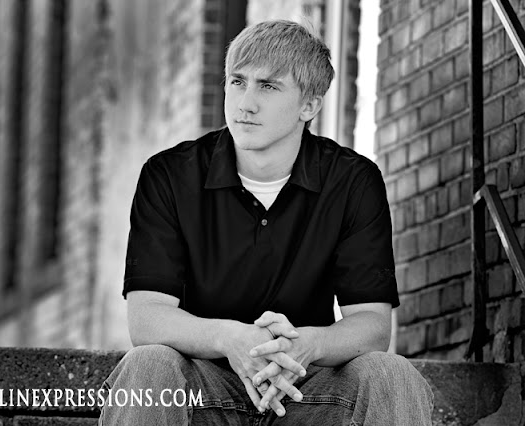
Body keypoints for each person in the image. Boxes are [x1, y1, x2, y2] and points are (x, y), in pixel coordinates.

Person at [99, 19, 433, 425]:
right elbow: (146, 318)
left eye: (268, 87)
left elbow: (373, 326)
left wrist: (308, 345)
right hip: (201, 386)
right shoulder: (169, 175)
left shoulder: (352, 181)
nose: (245, 103)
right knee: (148, 365)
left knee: (391, 374)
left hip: (305, 388)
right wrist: (231, 339)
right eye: (237, 82)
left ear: (309, 106)